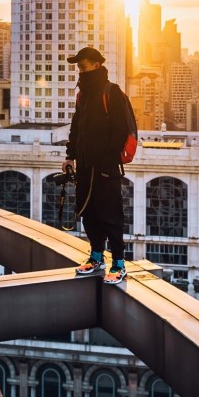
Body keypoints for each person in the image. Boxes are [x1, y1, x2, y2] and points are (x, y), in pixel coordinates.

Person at [61, 46, 129, 284]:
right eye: (78, 65)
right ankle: (96, 256)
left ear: (97, 65)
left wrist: (106, 160)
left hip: (106, 168)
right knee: (88, 213)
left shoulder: (111, 92)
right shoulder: (83, 95)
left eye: (83, 65)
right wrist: (70, 156)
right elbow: (76, 128)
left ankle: (119, 263)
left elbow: (121, 131)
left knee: (110, 215)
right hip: (85, 166)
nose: (80, 69)